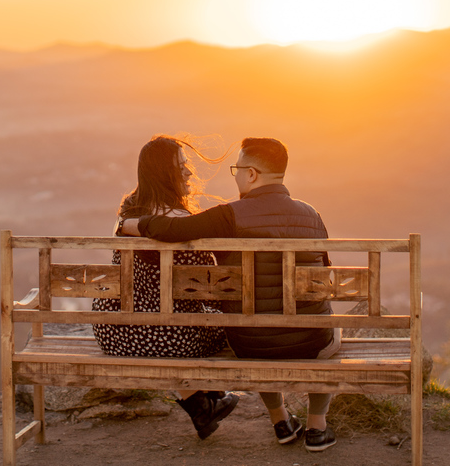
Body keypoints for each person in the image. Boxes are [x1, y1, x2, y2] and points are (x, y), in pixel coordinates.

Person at [119, 137, 340, 452]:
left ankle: (281, 421)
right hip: (311, 342)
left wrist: (130, 224)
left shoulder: (228, 216)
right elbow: (324, 279)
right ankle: (317, 427)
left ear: (251, 174)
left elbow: (172, 230)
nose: (235, 176)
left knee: (256, 322)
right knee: (327, 325)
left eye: (237, 169)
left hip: (250, 342)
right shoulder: (312, 216)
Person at [93, 135, 239, 439]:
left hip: (114, 332)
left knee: (165, 319)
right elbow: (205, 286)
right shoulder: (182, 221)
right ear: (164, 175)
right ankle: (211, 398)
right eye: (181, 167)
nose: (189, 173)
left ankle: (204, 406)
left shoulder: (128, 213)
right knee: (199, 322)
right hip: (171, 339)